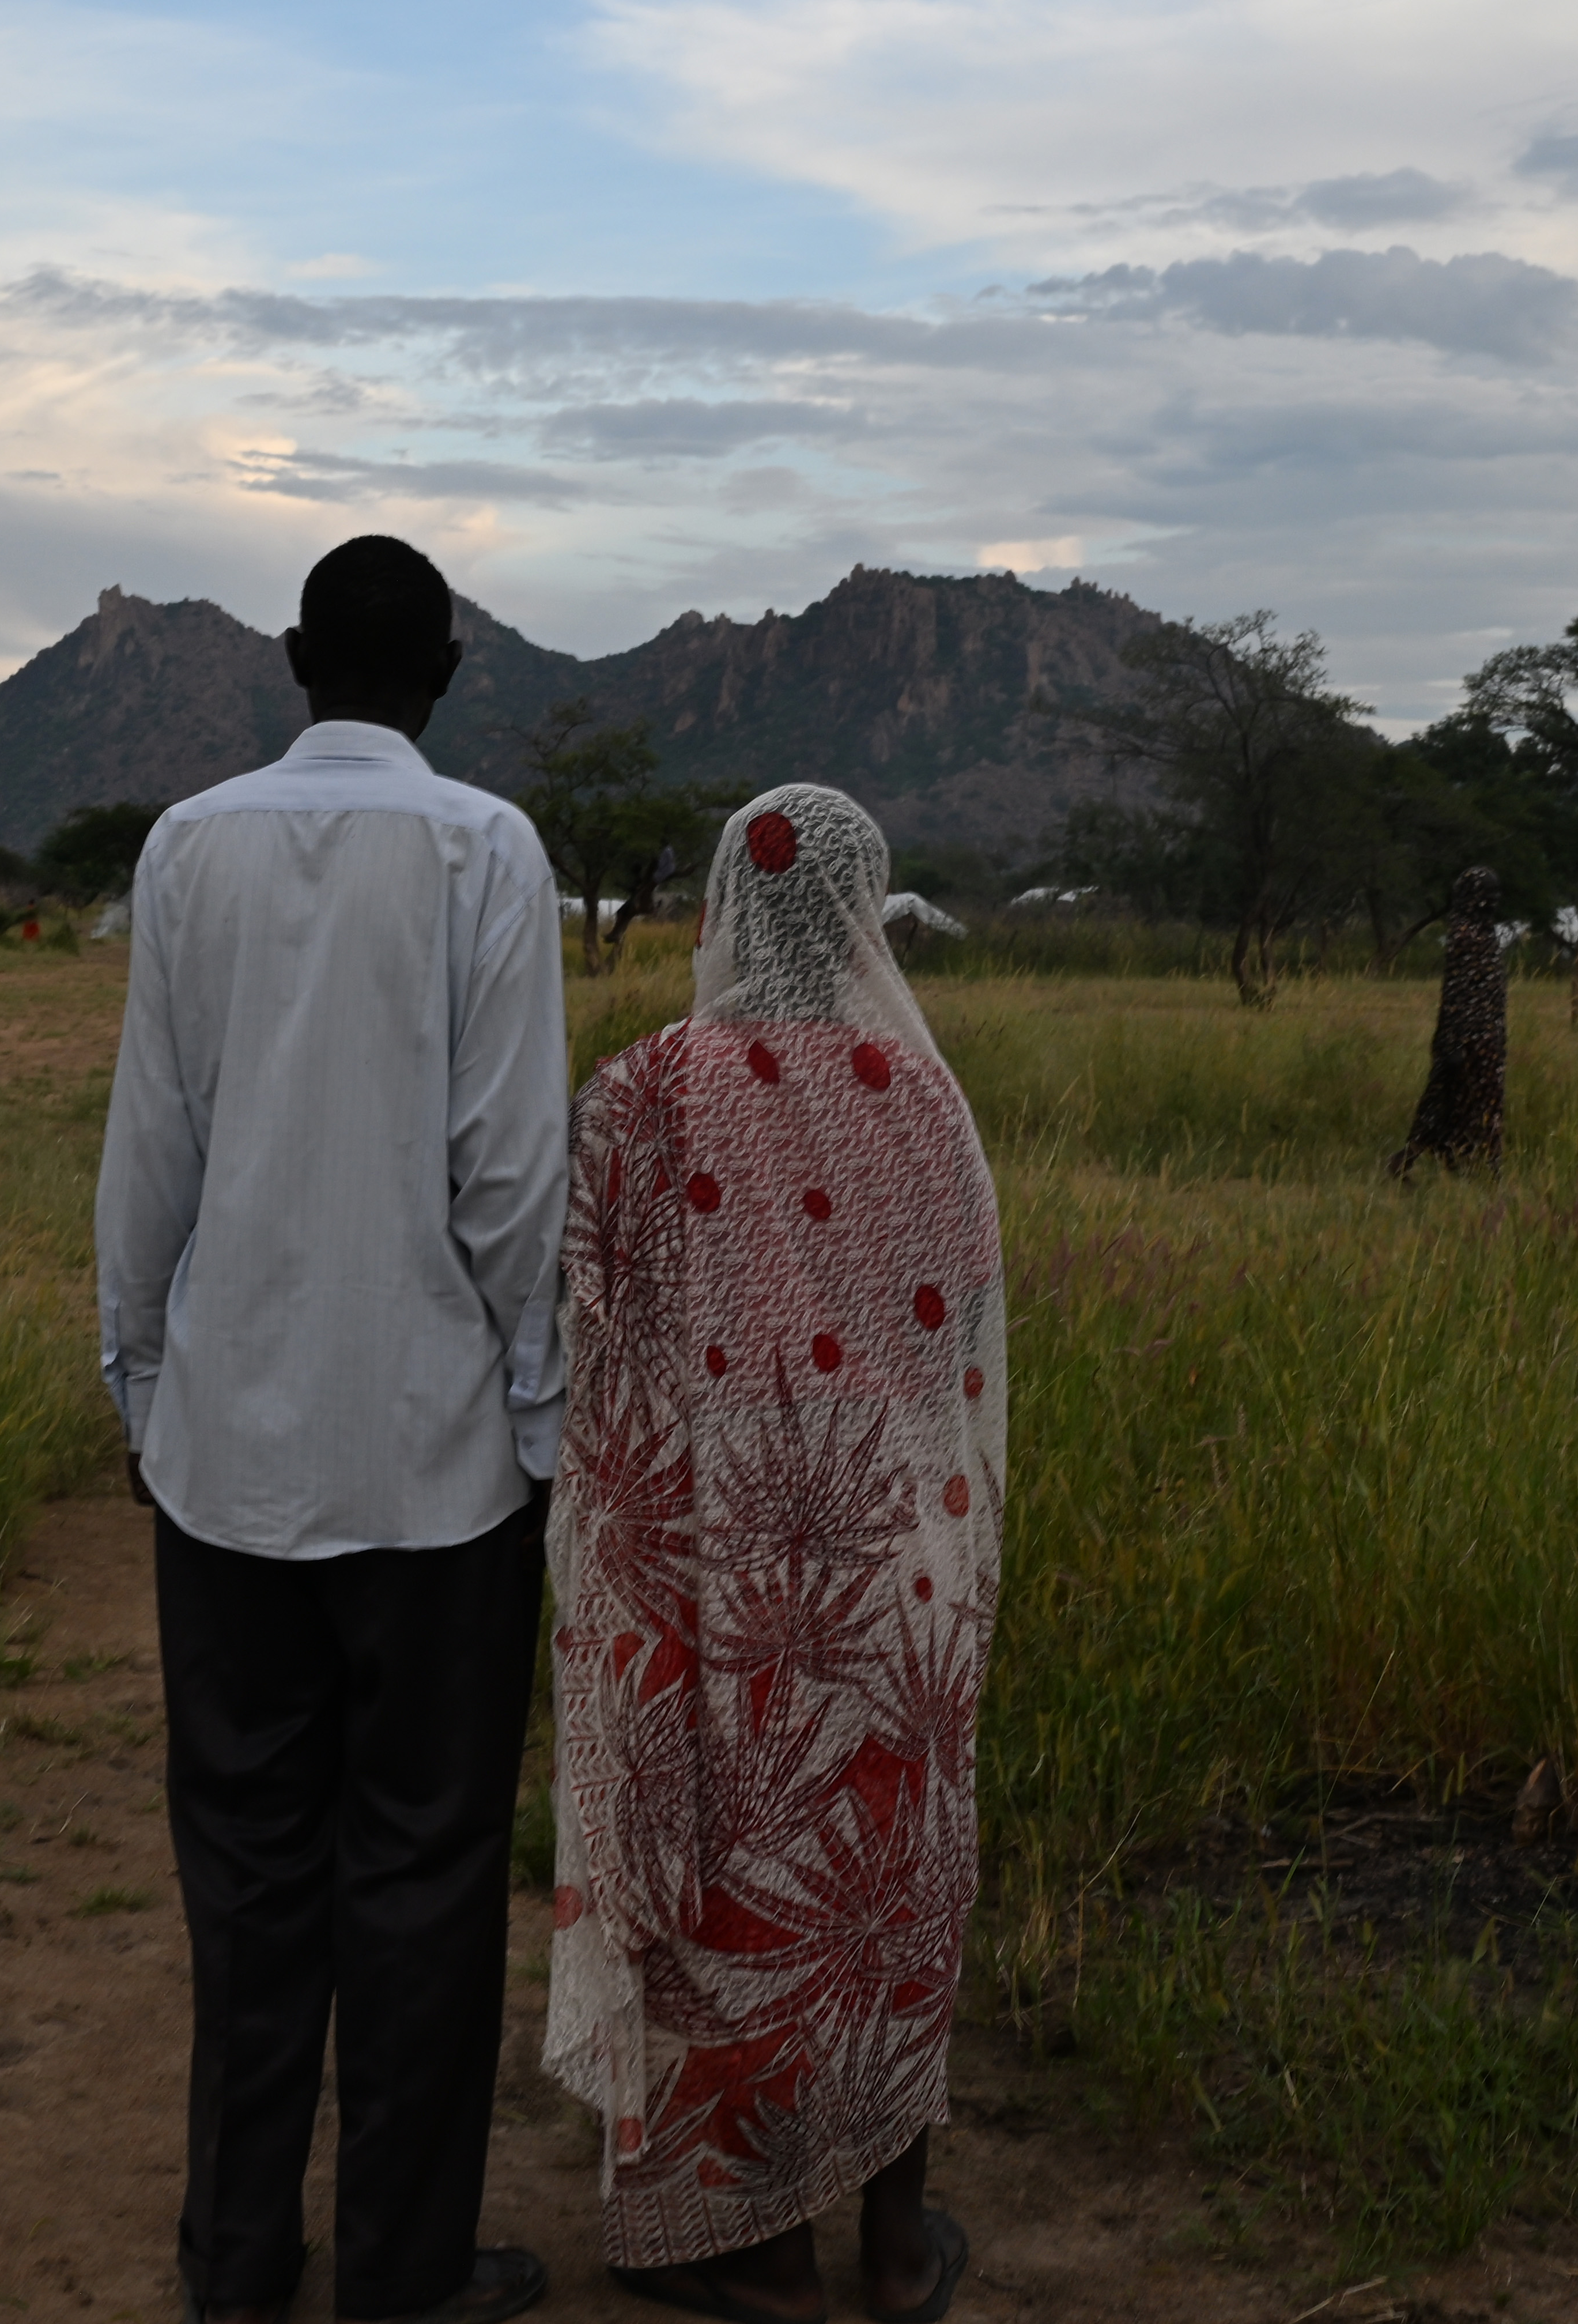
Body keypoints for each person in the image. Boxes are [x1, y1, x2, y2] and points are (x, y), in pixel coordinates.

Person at [97, 535, 567, 2324]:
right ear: (447, 668)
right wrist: (534, 1410)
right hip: (438, 1478)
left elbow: (155, 1144)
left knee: (247, 1877)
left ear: (296, 659)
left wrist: (147, 1382)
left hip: (224, 1471)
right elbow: (513, 1172)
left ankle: (235, 2260)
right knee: (426, 1884)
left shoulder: (185, 848)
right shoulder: (485, 851)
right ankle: (403, 2275)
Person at [544, 784, 1002, 2324]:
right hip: (906, 1568)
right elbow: (959, 1359)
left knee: (749, 1881)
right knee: (887, 1892)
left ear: (729, 909)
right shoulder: (928, 1096)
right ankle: (890, 2243)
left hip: (733, 1571)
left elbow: (602, 1353)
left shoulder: (646, 1089)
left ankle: (753, 2243)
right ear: (866, 912)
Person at [1388, 864, 1505, 1179]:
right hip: (1466, 1039)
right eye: (1487, 895)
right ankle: (1486, 1171)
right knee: (1450, 1103)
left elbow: (1490, 993)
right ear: (1471, 897)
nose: (1493, 901)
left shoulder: (1485, 933)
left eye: (1496, 894)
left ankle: (1465, 1167)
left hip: (1488, 1037)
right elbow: (1455, 993)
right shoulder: (1464, 937)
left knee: (1479, 1104)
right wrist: (1453, 1043)